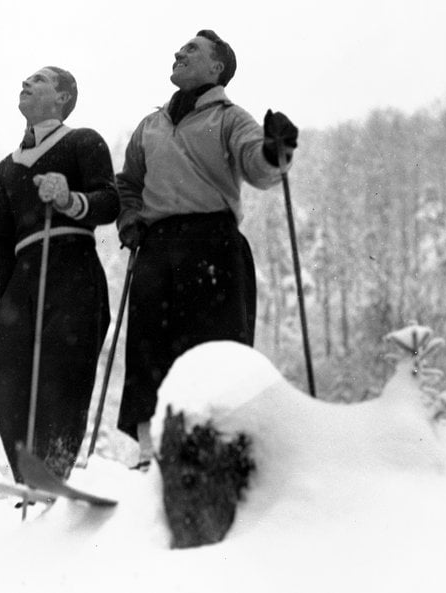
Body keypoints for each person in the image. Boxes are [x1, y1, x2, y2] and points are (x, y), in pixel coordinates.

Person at [115, 30, 299, 467]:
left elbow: (257, 165)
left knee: (214, 351)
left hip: (212, 243)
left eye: (192, 49)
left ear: (217, 67)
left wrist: (276, 150)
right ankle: (149, 451)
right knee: (148, 348)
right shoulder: (151, 125)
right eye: (181, 48)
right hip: (157, 245)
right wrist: (129, 220)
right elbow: (128, 183)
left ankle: (212, 450)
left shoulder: (231, 118)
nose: (179, 52)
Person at [0, 66, 119, 482]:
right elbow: (3, 242)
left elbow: (110, 202)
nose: (26, 83)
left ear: (63, 97)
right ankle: (28, 479)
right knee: (11, 394)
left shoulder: (83, 141)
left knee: (63, 379)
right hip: (20, 282)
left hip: (73, 269)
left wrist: (69, 199)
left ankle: (56, 472)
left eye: (39, 80)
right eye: (26, 80)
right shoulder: (6, 168)